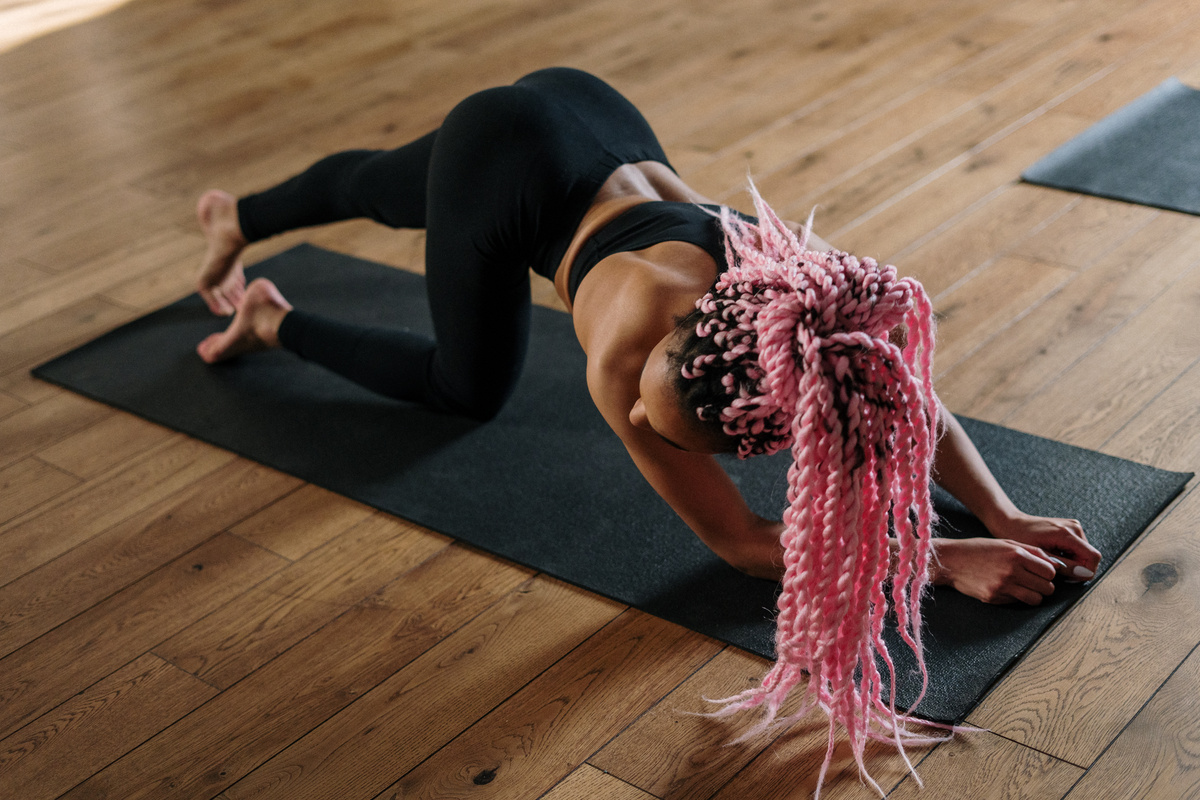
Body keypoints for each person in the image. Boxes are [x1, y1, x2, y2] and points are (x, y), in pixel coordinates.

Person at [193, 67, 1101, 793]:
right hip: (515, 159)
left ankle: (237, 217)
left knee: (392, 184)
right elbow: (742, 543)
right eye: (644, 410)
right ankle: (271, 317)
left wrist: (1006, 516)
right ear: (675, 334)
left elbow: (897, 389)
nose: (627, 421)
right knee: (461, 384)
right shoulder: (622, 353)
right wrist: (940, 555)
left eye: (654, 427)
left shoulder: (792, 299)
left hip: (575, 111)